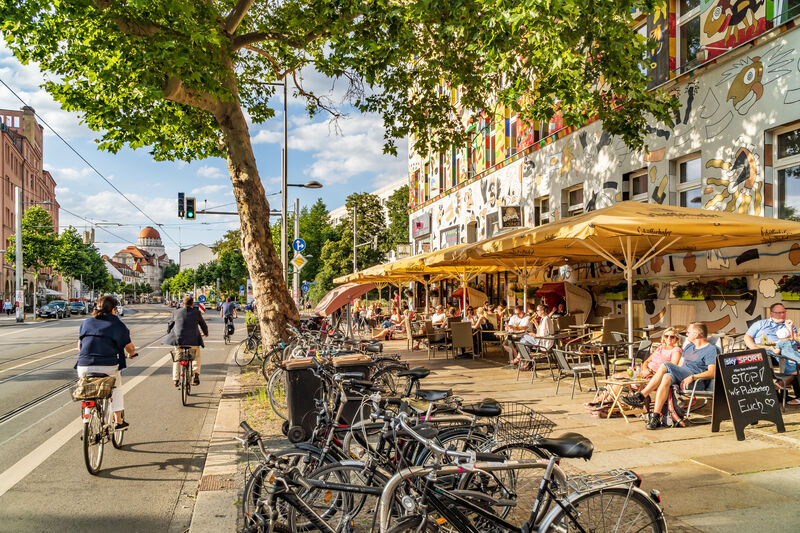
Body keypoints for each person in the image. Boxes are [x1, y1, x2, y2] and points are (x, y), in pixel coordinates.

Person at [622, 322, 719, 430]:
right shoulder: (689, 347)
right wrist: (674, 373)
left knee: (665, 365)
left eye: (688, 332)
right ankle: (655, 416)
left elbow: (713, 372)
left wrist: (693, 377)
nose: (686, 334)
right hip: (682, 377)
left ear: (696, 334)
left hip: (695, 382)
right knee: (666, 377)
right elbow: (679, 366)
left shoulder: (711, 349)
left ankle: (640, 396)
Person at [76, 295, 137, 430]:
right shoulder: (117, 324)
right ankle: (119, 421)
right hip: (107, 366)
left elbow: (79, 347)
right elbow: (130, 347)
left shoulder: (86, 322)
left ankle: (87, 414)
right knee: (116, 388)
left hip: (83, 366)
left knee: (88, 388)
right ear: (113, 309)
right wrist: (131, 354)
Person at [586, 327, 682, 409]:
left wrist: (651, 372)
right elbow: (647, 361)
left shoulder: (676, 350)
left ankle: (605, 402)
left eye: (672, 336)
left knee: (620, 379)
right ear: (663, 337)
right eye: (666, 336)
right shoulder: (660, 347)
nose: (669, 338)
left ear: (676, 339)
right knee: (615, 376)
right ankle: (602, 400)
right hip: (644, 372)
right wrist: (645, 368)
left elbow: (671, 368)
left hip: (655, 377)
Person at [165, 295, 209, 387]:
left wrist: (169, 332)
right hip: (193, 340)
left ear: (182, 304)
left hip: (178, 340)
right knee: (196, 356)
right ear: (192, 304)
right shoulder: (197, 312)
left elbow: (170, 325)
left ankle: (176, 379)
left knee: (177, 358)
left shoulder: (176, 312)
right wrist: (206, 333)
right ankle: (196, 375)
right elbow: (203, 325)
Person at [773, 321, 800, 404]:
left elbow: (776, 352)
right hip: (797, 360)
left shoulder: (780, 343)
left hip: (791, 363)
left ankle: (782, 383)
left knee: (791, 372)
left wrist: (771, 349)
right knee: (795, 375)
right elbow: (794, 340)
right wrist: (790, 327)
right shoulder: (793, 341)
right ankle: (784, 383)